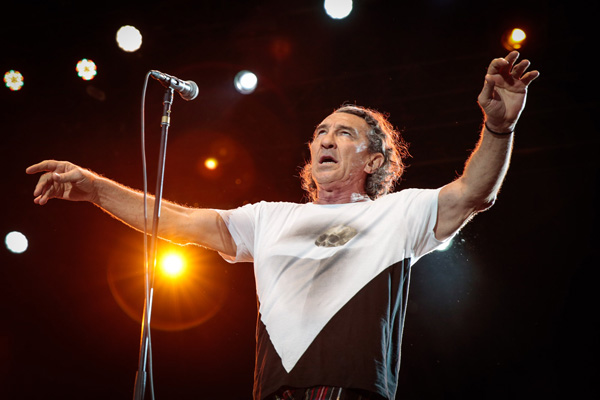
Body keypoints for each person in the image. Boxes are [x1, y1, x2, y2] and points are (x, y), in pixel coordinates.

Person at [27, 51, 539, 400]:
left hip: (351, 389)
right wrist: (95, 188)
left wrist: (499, 127)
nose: (326, 139)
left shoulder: (396, 213)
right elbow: (175, 220)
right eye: (321, 131)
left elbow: (474, 193)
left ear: (374, 160)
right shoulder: (269, 217)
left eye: (345, 133)